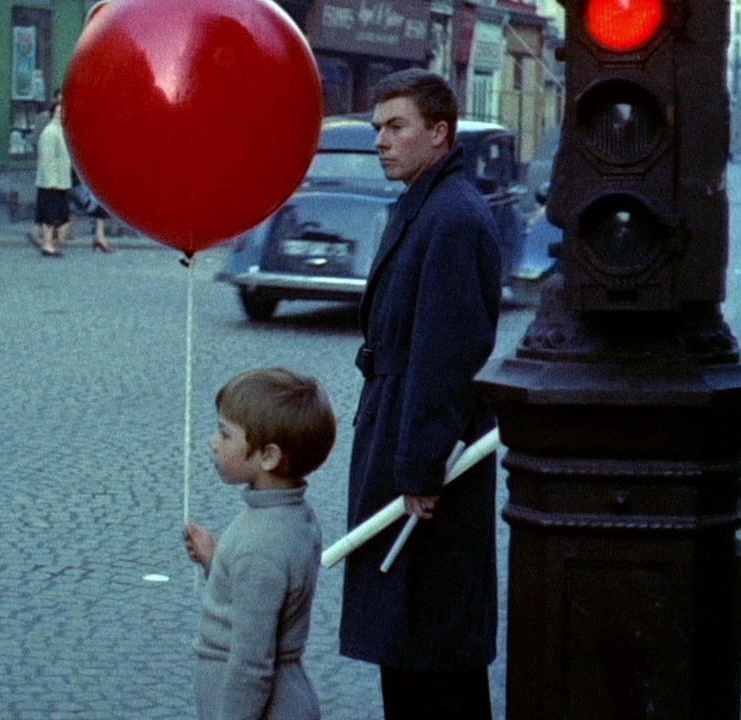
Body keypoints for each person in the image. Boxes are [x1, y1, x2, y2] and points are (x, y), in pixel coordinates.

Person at [339, 68, 502, 720]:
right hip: (403, 434)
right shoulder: (426, 203)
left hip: (427, 455)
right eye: (378, 128)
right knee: (407, 634)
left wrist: (420, 468)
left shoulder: (453, 217)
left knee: (431, 637)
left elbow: (446, 354)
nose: (381, 140)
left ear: (439, 133)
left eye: (396, 126)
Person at [184, 367, 336, 720]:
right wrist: (216, 561)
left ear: (268, 456)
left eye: (226, 433)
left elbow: (252, 662)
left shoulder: (259, 545)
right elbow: (260, 595)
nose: (214, 441)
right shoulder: (293, 518)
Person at [34, 98, 72, 257]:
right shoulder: (50, 132)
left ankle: (50, 243)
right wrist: (51, 182)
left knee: (59, 216)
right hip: (51, 182)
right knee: (49, 216)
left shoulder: (62, 130)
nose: (59, 115)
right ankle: (47, 244)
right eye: (56, 112)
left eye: (61, 112)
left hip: (60, 180)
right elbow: (46, 160)